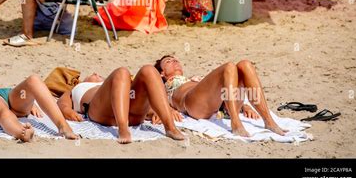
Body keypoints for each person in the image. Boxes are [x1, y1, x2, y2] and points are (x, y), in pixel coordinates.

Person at [153, 55, 287, 137]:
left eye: (175, 59)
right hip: (193, 104)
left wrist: (245, 106)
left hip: (220, 106)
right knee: (229, 66)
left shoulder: (192, 78)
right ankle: (236, 123)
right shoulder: (162, 84)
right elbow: (152, 98)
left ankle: (268, 121)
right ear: (162, 73)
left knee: (245, 64)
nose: (174, 61)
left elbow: (220, 90)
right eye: (168, 61)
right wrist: (169, 110)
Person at [57, 66, 185, 144]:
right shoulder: (78, 87)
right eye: (92, 75)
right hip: (101, 112)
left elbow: (138, 96)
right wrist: (67, 109)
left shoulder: (117, 83)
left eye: (99, 75)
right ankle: (123, 128)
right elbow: (61, 102)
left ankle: (170, 127)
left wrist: (157, 110)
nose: (96, 74)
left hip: (131, 112)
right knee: (122, 71)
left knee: (149, 70)